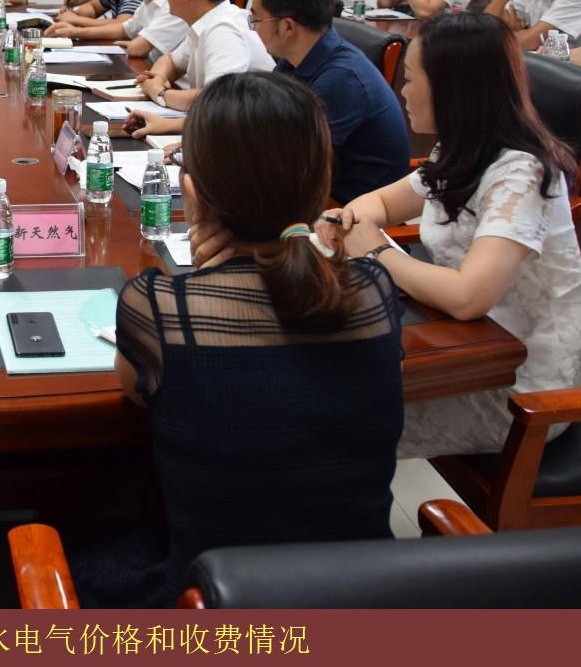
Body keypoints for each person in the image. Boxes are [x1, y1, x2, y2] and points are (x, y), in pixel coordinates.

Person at [76, 72, 402, 608]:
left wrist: (200, 282)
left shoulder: (158, 306)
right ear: (321, 185)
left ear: (192, 194)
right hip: (366, 597)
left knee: (82, 539)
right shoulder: (374, 289)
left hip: (208, 602)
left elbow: (138, 394)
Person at [318, 12, 581, 458]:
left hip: (519, 386)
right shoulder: (462, 147)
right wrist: (346, 219)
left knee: (331, 419)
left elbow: (468, 297)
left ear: (452, 89)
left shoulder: (520, 173)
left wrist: (377, 251)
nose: (402, 91)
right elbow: (383, 203)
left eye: (410, 79)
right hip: (467, 343)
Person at [247, 0, 409, 203]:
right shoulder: (293, 60)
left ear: (288, 27)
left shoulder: (342, 80)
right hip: (312, 195)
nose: (254, 28)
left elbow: (293, 168)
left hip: (347, 211)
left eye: (256, 19)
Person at [125, 0, 273, 137]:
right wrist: (158, 79)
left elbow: (216, 100)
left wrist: (161, 94)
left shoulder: (224, 29)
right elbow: (170, 61)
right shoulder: (205, 22)